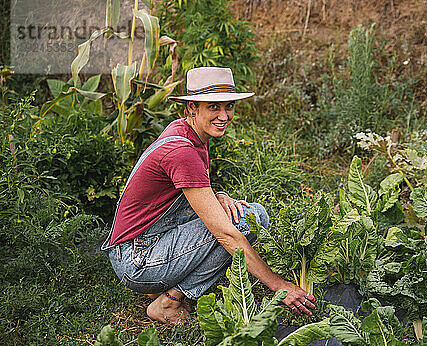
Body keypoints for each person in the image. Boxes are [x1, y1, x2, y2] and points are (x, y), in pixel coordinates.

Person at [102, 67, 315, 324]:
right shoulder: (183, 151)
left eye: (229, 107)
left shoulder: (188, 132)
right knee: (245, 221)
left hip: (138, 244)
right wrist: (280, 286)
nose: (224, 116)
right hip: (137, 259)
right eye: (214, 107)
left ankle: (160, 285)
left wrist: (219, 196)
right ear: (192, 108)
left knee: (245, 215)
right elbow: (225, 234)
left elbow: (185, 190)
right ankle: (168, 302)